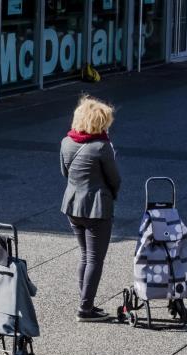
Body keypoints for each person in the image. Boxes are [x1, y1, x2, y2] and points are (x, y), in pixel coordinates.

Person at [60, 95, 121, 322]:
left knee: (85, 255)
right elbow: (114, 179)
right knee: (95, 258)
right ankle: (85, 309)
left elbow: (64, 172)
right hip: (97, 207)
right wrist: (111, 194)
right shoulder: (101, 147)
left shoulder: (66, 142)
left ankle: (86, 302)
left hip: (73, 205)